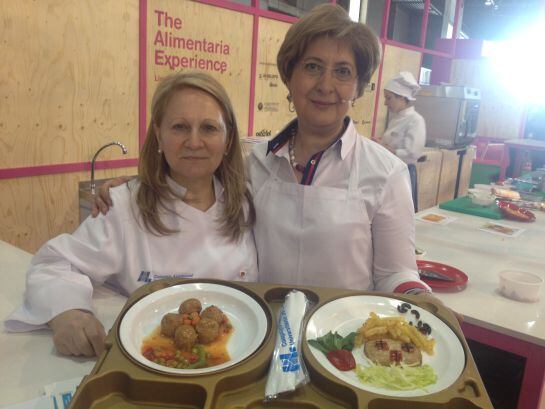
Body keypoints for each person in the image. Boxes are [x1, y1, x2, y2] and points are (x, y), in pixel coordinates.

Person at [94, 5, 431, 295]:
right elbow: (198, 186)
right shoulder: (255, 162)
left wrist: (419, 296)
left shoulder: (386, 173)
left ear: (358, 87)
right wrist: (139, 185)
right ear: (289, 76)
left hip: (341, 347)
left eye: (343, 72)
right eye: (312, 67)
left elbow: (395, 273)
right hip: (260, 335)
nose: (325, 85)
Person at [4, 71, 258, 357]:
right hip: (154, 359)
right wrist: (68, 312)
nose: (194, 141)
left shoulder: (247, 200)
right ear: (159, 136)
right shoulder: (123, 206)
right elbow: (53, 265)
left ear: (227, 139)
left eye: (209, 128)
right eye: (179, 127)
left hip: (243, 355)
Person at [376, 71, 426, 212]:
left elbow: (412, 153)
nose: (385, 103)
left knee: (401, 213)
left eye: (389, 98)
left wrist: (385, 149)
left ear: (402, 98)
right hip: (390, 171)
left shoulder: (415, 120)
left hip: (404, 173)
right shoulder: (395, 118)